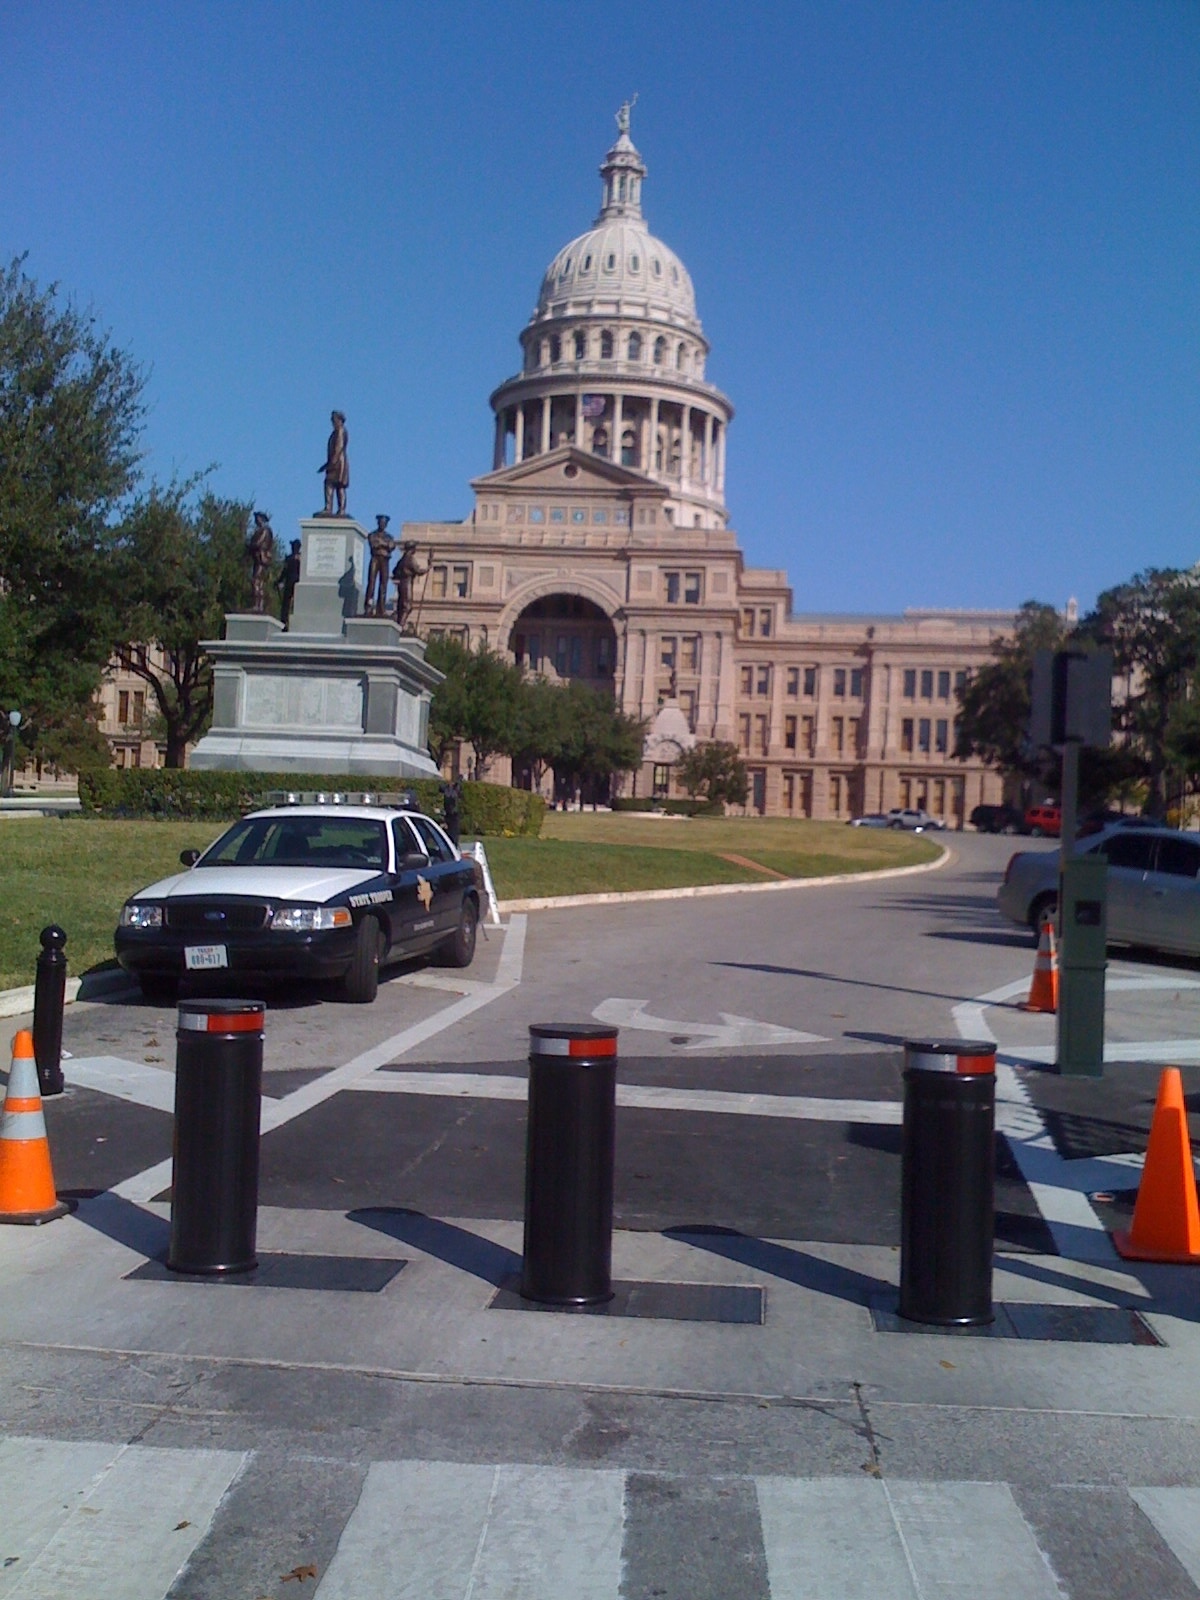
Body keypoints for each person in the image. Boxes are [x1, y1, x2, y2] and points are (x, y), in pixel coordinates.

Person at [364, 515, 398, 617]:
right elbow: (373, 545)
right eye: (381, 523)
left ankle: (381, 609)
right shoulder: (372, 535)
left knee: (383, 584)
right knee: (371, 583)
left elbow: (391, 546)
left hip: (385, 561)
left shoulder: (389, 537)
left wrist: (381, 543)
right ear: (378, 523)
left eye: (384, 523)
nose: (382, 525)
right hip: (375, 559)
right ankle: (368, 607)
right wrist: (385, 545)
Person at [318, 410, 349, 517]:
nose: (332, 422)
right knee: (338, 486)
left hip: (338, 463)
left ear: (339, 420)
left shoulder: (340, 431)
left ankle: (332, 508)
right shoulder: (336, 432)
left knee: (332, 484)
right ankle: (337, 509)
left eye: (334, 419)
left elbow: (338, 448)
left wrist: (330, 465)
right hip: (337, 462)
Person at [392, 540, 428, 629]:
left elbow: (394, 571)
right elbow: (418, 571)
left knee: (401, 605)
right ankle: (400, 626)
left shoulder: (401, 560)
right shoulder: (410, 559)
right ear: (412, 549)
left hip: (401, 584)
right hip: (407, 582)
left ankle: (399, 624)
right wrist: (428, 568)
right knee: (407, 606)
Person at [247, 512, 275, 613]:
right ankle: (259, 605)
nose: (255, 520)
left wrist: (250, 546)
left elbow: (258, 543)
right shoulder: (263, 530)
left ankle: (258, 604)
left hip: (261, 558)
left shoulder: (265, 530)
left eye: (257, 518)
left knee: (256, 580)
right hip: (259, 558)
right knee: (259, 581)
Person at [275, 539, 302, 629]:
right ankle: (285, 622)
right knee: (289, 604)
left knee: (286, 604)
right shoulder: (302, 559)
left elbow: (284, 572)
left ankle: (284, 621)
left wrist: (279, 581)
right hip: (297, 582)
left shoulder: (290, 559)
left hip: (291, 582)